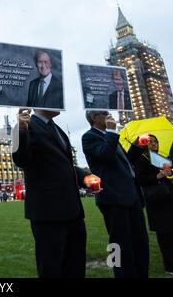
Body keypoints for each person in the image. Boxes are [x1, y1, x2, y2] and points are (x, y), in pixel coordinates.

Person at [12, 108, 93, 278]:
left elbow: (63, 165)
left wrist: (85, 176)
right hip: (48, 213)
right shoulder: (26, 125)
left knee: (76, 266)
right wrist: (20, 129)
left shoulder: (58, 130)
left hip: (73, 212)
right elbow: (21, 159)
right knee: (51, 268)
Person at [81, 110, 149, 278]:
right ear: (93, 118)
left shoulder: (111, 137)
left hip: (131, 195)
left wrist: (138, 145)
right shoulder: (89, 137)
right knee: (119, 243)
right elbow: (105, 155)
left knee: (140, 240)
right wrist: (111, 132)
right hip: (113, 197)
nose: (109, 115)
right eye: (104, 113)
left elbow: (125, 163)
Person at [134, 134, 173, 277]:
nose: (153, 144)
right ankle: (171, 265)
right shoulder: (141, 160)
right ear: (144, 144)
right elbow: (139, 180)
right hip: (158, 200)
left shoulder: (163, 157)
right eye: (150, 142)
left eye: (155, 142)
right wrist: (157, 176)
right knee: (166, 233)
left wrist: (171, 172)